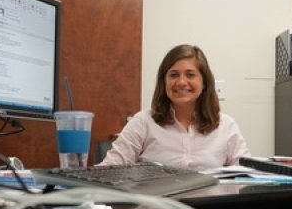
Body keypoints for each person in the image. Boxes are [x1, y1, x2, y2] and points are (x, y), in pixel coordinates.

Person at [99, 44, 250, 169]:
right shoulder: (143, 122)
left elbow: (247, 175)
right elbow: (108, 169)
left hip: (210, 205)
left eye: (190, 75)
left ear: (204, 83)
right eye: (173, 75)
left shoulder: (226, 125)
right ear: (164, 82)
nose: (181, 82)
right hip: (158, 204)